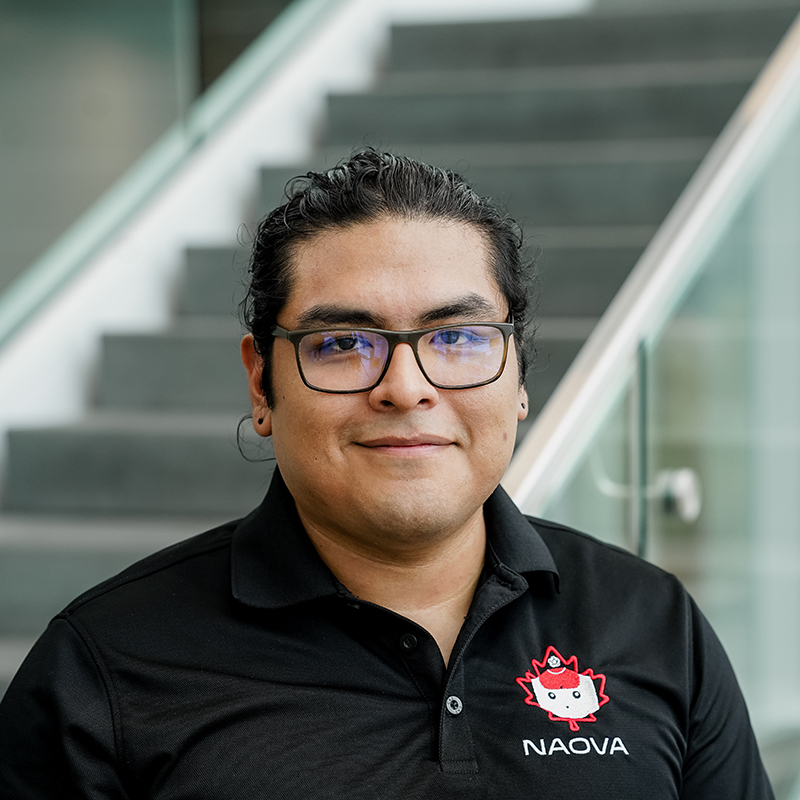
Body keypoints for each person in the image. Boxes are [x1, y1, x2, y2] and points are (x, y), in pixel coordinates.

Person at [0, 150, 773, 798]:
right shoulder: (103, 667)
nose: (406, 386)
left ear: (520, 377)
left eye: (459, 338)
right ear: (261, 384)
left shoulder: (652, 622)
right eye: (342, 344)